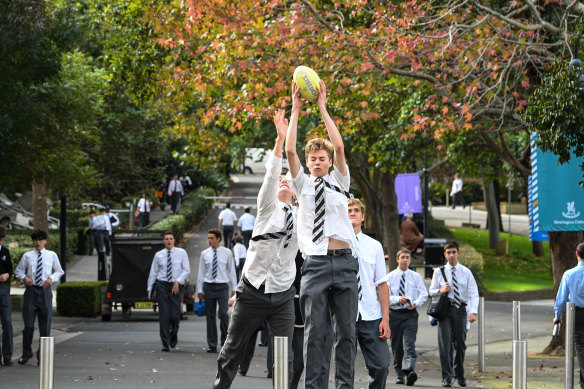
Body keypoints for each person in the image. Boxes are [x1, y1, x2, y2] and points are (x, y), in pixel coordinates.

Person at [212, 109, 298, 388]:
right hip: (253, 290)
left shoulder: (304, 217)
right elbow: (273, 172)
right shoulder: (266, 209)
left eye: (290, 180)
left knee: (284, 356)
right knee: (232, 349)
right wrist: (280, 141)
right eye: (281, 180)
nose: (284, 180)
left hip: (284, 293)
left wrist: (296, 114)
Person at [286, 79, 358, 389]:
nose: (316, 162)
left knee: (346, 333)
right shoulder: (301, 184)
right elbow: (290, 149)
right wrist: (295, 110)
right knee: (316, 333)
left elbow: (339, 145)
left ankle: (345, 386)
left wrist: (323, 108)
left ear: (329, 163)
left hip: (343, 262)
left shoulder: (341, 182)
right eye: (312, 158)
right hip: (314, 264)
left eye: (321, 159)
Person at [346, 198, 391, 388]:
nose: (353, 213)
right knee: (345, 370)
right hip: (344, 316)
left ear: (363, 217)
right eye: (349, 210)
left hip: (370, 315)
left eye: (356, 210)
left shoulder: (375, 246)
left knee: (381, 366)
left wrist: (385, 319)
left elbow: (381, 284)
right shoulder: (333, 244)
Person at [429, 241, 479, 387]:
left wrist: (473, 312)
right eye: (448, 252)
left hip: (460, 310)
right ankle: (447, 377)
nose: (451, 255)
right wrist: (440, 290)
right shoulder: (439, 272)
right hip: (445, 311)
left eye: (453, 252)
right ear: (445, 254)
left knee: (460, 344)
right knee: (445, 345)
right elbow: (431, 291)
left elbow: (473, 294)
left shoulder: (466, 272)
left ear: (458, 253)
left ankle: (459, 372)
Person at [15, 229, 65, 365]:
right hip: (31, 292)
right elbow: (18, 270)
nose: (38, 242)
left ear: (45, 241)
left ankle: (42, 356)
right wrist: (25, 277)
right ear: (33, 241)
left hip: (45, 292)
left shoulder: (51, 255)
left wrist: (51, 278)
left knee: (45, 326)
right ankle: (26, 353)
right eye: (35, 240)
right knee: (28, 325)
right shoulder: (27, 256)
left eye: (40, 239)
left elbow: (60, 271)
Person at [386, 248, 428, 386]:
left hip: (410, 315)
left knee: (409, 344)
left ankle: (409, 370)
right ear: (397, 259)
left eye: (407, 257)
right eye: (402, 257)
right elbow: (385, 296)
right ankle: (399, 374)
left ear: (410, 260)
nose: (405, 260)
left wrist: (415, 303)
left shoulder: (415, 277)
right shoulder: (390, 277)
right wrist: (398, 299)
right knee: (397, 345)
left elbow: (424, 294)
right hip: (395, 315)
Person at [147, 231, 190, 352]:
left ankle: (173, 335)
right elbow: (153, 272)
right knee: (164, 315)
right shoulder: (158, 255)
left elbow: (186, 269)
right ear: (163, 241)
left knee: (175, 315)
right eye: (166, 239)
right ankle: (165, 343)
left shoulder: (181, 253)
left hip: (176, 285)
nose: (168, 241)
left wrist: (178, 281)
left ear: (174, 240)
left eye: (171, 238)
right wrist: (149, 288)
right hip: (162, 285)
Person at [198, 228, 237, 354]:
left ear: (218, 239)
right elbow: (201, 272)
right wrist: (200, 289)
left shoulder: (227, 253)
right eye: (208, 238)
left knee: (223, 314)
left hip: (222, 286)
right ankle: (212, 344)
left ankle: (225, 341)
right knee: (210, 316)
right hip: (209, 286)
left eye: (212, 238)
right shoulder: (205, 254)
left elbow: (231, 271)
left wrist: (235, 288)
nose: (209, 240)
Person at [553, 242, 584, 389]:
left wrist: (557, 315)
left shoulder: (569, 274)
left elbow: (561, 298)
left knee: (580, 345)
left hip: (576, 313)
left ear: (576, 254)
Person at [0, 225, 13, 366]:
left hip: (3, 289)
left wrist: (7, 274)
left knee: (7, 322)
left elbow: (10, 268)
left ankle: (7, 356)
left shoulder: (5, 251)